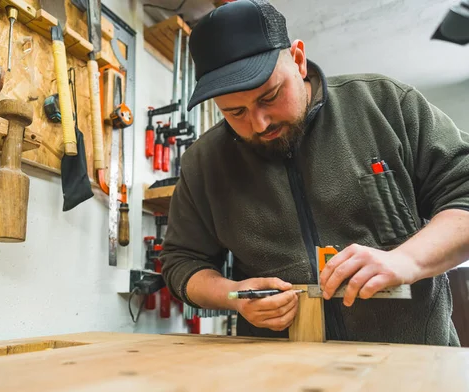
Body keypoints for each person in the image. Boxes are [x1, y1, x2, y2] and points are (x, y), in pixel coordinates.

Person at [159, 0, 469, 346]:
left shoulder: (384, 105)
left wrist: (407, 260)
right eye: (235, 112)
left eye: (270, 96)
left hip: (414, 366)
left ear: (298, 60)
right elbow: (181, 263)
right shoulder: (204, 163)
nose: (259, 123)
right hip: (283, 374)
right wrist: (233, 295)